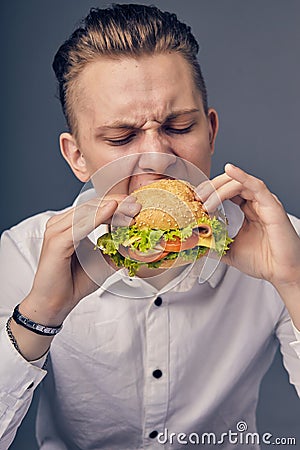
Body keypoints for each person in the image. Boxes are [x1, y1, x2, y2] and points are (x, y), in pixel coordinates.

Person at [0, 4, 300, 449]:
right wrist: (37, 320)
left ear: (211, 132)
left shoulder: (281, 242)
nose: (158, 159)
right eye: (121, 138)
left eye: (178, 126)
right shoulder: (25, 252)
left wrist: (294, 281)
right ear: (77, 156)